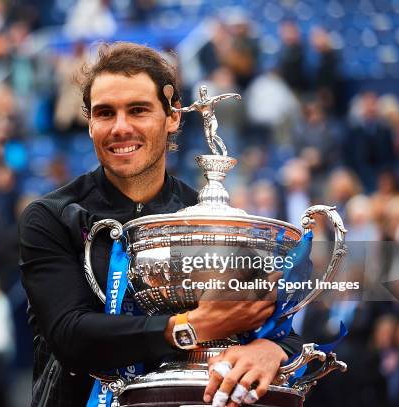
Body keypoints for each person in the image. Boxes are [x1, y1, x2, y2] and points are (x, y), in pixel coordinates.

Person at [18, 42, 302, 407]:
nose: (120, 128)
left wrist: (271, 349)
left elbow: (272, 318)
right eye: (105, 113)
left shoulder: (205, 220)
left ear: (173, 117)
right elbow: (70, 335)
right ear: (90, 124)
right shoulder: (53, 216)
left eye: (138, 110)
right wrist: (191, 328)